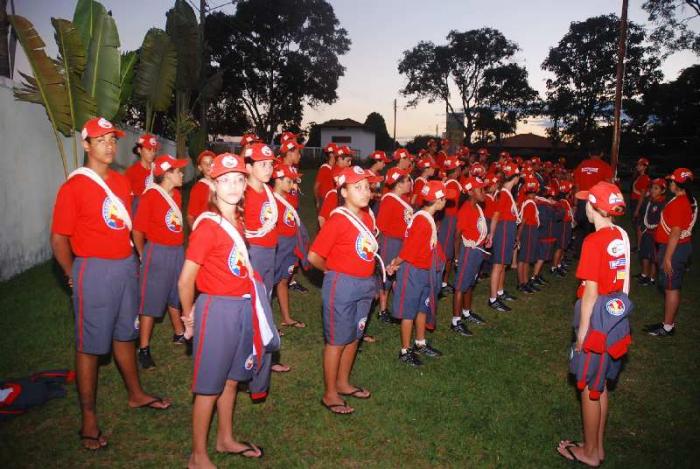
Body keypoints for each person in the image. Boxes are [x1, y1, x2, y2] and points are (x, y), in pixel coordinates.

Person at [50, 117, 171, 451]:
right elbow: (59, 238)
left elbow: (127, 224)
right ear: (87, 145)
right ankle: (88, 417)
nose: (109, 145)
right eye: (101, 140)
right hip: (94, 270)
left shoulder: (120, 183)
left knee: (125, 334)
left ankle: (135, 393)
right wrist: (72, 273)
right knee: (90, 345)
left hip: (124, 267)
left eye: (112, 139)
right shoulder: (73, 187)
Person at [179, 152, 274, 466]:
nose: (233, 186)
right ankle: (198, 455)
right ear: (213, 185)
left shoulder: (239, 218)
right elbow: (185, 280)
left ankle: (225, 438)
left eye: (238, 179)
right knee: (209, 385)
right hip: (216, 309)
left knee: (233, 378)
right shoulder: (208, 225)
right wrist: (188, 318)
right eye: (225, 180)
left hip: (241, 306)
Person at [557, 181, 632, 467]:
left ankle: (589, 454)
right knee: (600, 385)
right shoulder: (620, 235)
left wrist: (583, 335)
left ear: (595, 208)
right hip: (614, 314)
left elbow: (590, 291)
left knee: (589, 384)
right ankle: (596, 446)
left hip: (597, 318)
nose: (584, 206)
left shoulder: (594, 240)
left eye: (587, 201)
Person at [308, 166, 381, 414]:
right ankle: (330, 393)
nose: (366, 192)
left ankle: (343, 382)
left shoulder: (367, 216)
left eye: (367, 187)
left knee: (355, 335)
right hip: (343, 285)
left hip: (365, 283)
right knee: (337, 340)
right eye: (358, 187)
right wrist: (332, 271)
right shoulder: (338, 219)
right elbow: (314, 256)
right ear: (344, 191)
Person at [133, 155, 189, 369]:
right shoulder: (150, 197)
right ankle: (144, 348)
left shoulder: (176, 195)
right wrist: (142, 255)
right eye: (178, 171)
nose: (182, 174)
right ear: (166, 174)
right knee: (151, 300)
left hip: (176, 251)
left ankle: (178, 332)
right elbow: (137, 230)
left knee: (175, 293)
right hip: (157, 252)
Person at [386, 181, 449, 366]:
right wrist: (394, 264)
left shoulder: (427, 218)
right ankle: (405, 350)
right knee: (408, 311)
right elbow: (408, 251)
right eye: (444, 198)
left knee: (422, 306)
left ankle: (420, 342)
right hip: (412, 270)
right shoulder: (422, 220)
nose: (446, 201)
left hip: (423, 269)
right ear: (438, 201)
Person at [242, 142, 290, 373]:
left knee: (265, 300)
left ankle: (261, 351)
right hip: (254, 252)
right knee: (254, 304)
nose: (269, 169)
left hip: (270, 251)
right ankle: (252, 357)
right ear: (249, 167)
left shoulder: (268, 191)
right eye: (262, 164)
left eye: (270, 164)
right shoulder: (243, 193)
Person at [646, 168, 696, 337]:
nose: (669, 183)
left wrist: (667, 258)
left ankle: (667, 327)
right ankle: (667, 323)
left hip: (674, 249)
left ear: (676, 184)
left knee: (671, 288)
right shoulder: (686, 199)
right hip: (678, 247)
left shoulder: (679, 203)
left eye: (671, 181)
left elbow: (675, 232)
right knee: (670, 287)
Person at [271, 163, 308, 328]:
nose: (293, 185)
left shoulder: (290, 197)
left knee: (284, 280)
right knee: (268, 284)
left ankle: (286, 318)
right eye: (290, 181)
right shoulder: (270, 199)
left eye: (294, 181)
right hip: (277, 244)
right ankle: (265, 325)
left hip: (290, 244)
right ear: (278, 180)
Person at [452, 176, 489, 336]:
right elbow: (457, 235)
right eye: (480, 189)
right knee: (460, 286)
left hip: (476, 251)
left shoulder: (476, 207)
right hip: (468, 252)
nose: (484, 192)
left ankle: (466, 312)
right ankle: (455, 320)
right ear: (471, 192)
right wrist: (457, 257)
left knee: (470, 283)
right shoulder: (466, 209)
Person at [376, 167, 413, 323]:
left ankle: (397, 307)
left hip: (401, 242)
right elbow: (380, 226)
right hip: (390, 241)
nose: (410, 183)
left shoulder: (404, 199)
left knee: (397, 274)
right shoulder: (389, 200)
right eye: (407, 180)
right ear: (399, 184)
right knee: (386, 275)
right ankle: (382, 310)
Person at [487, 163, 521, 312]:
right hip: (503, 230)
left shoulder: (506, 192)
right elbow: (496, 215)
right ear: (516, 177)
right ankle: (493, 299)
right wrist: (491, 235)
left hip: (508, 229)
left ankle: (500, 292)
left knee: (503, 264)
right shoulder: (503, 193)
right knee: (498, 264)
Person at [572, 151, 614, 254]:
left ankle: (578, 252)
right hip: (597, 202)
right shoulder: (605, 166)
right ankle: (592, 252)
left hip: (582, 200)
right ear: (602, 154)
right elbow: (609, 186)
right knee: (595, 228)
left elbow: (577, 185)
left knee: (581, 227)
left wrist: (575, 203)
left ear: (589, 153)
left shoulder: (582, 165)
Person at [437, 156, 463, 295]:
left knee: (449, 252)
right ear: (457, 170)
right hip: (449, 218)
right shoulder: (452, 184)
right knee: (446, 253)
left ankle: (444, 282)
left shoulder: (451, 182)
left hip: (451, 217)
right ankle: (440, 283)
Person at [637, 178, 667, 287]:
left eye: (656, 188)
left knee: (654, 257)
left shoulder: (663, 204)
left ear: (662, 191)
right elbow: (645, 215)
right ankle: (644, 275)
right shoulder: (650, 201)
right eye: (652, 188)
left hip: (656, 234)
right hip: (647, 232)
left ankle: (652, 278)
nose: (653, 190)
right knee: (644, 254)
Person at [516, 177, 541, 294]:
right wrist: (518, 237)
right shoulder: (530, 203)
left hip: (530, 230)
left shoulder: (529, 202)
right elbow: (523, 222)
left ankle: (524, 282)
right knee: (524, 259)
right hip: (528, 231)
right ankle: (522, 282)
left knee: (526, 258)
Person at [125, 133, 159, 213]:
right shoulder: (131, 172)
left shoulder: (158, 170)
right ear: (139, 150)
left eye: (154, 150)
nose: (152, 153)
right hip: (138, 213)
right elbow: (127, 198)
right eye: (149, 149)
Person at [186, 150, 216, 229]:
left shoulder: (223, 183)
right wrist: (196, 233)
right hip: (206, 229)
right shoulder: (198, 188)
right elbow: (190, 216)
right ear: (200, 167)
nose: (209, 165)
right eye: (205, 163)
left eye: (211, 162)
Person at [630, 157, 651, 250]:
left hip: (639, 203)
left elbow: (642, 196)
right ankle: (638, 246)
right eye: (638, 164)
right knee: (636, 226)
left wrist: (637, 209)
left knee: (639, 227)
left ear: (645, 167)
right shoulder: (639, 177)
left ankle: (639, 247)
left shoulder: (645, 178)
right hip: (635, 202)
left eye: (640, 165)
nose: (637, 166)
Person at [314, 143, 338, 208]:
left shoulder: (336, 167)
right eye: (336, 152)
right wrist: (317, 201)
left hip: (333, 199)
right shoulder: (324, 168)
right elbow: (316, 187)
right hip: (324, 200)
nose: (338, 154)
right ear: (331, 154)